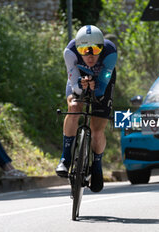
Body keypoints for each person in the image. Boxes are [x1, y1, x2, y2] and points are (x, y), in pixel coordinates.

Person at [55, 25, 117, 193]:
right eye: (84, 50)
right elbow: (74, 85)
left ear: (102, 47)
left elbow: (102, 88)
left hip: (103, 80)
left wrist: (94, 87)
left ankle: (96, 165)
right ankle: (65, 158)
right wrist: (82, 88)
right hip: (79, 78)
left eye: (96, 49)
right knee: (74, 107)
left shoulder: (110, 52)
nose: (90, 56)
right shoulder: (70, 52)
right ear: (78, 48)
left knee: (97, 129)